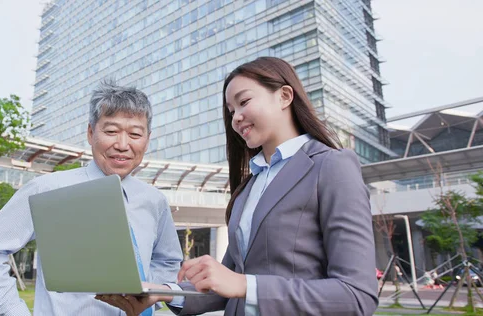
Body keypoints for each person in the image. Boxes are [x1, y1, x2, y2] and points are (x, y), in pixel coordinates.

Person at [97, 57, 379, 315]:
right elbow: (226, 285)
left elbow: (356, 295)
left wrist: (245, 285)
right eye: (231, 111)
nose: (235, 118)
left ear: (284, 96)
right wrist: (163, 293)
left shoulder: (331, 166)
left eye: (243, 102)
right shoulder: (248, 188)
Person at [0, 80, 183, 316]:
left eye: (135, 134)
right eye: (111, 131)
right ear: (91, 133)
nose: (122, 144)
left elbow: (168, 261)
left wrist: (152, 295)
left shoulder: (155, 201)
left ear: (147, 140)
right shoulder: (47, 189)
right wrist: (14, 311)